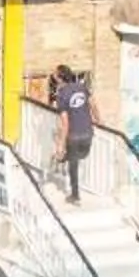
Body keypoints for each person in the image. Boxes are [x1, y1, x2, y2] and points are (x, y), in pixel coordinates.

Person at [60, 67, 95, 203]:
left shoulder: (62, 94)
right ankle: (66, 157)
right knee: (81, 156)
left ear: (60, 78)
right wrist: (98, 119)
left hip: (74, 135)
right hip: (87, 132)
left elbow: (65, 123)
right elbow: (93, 104)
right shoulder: (81, 87)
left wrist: (61, 143)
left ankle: (75, 194)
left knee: (73, 164)